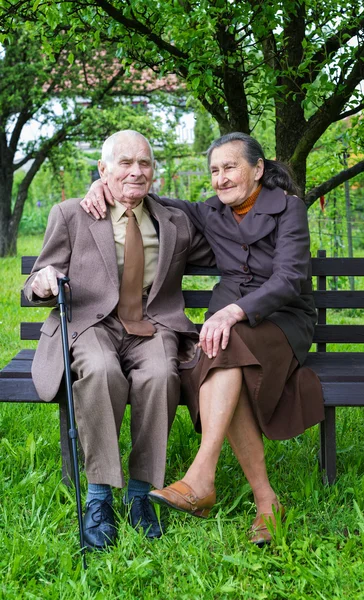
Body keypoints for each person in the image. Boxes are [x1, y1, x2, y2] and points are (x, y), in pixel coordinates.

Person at [81, 132, 324, 547]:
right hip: (227, 326)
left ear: (258, 169)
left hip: (281, 320)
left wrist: (234, 312)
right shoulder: (210, 212)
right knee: (217, 351)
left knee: (218, 347)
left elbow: (291, 278)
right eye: (215, 170)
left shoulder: (289, 209)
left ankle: (201, 476)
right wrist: (100, 184)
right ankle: (267, 503)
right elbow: (144, 197)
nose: (221, 178)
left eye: (230, 167)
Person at [24, 130, 213, 550]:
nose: (136, 171)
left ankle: (141, 492)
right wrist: (44, 281)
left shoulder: (173, 220)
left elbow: (223, 226)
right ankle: (98, 496)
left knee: (162, 373)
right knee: (101, 369)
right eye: (124, 163)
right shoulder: (72, 213)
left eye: (144, 163)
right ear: (102, 169)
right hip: (91, 323)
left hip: (151, 325)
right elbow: (35, 280)